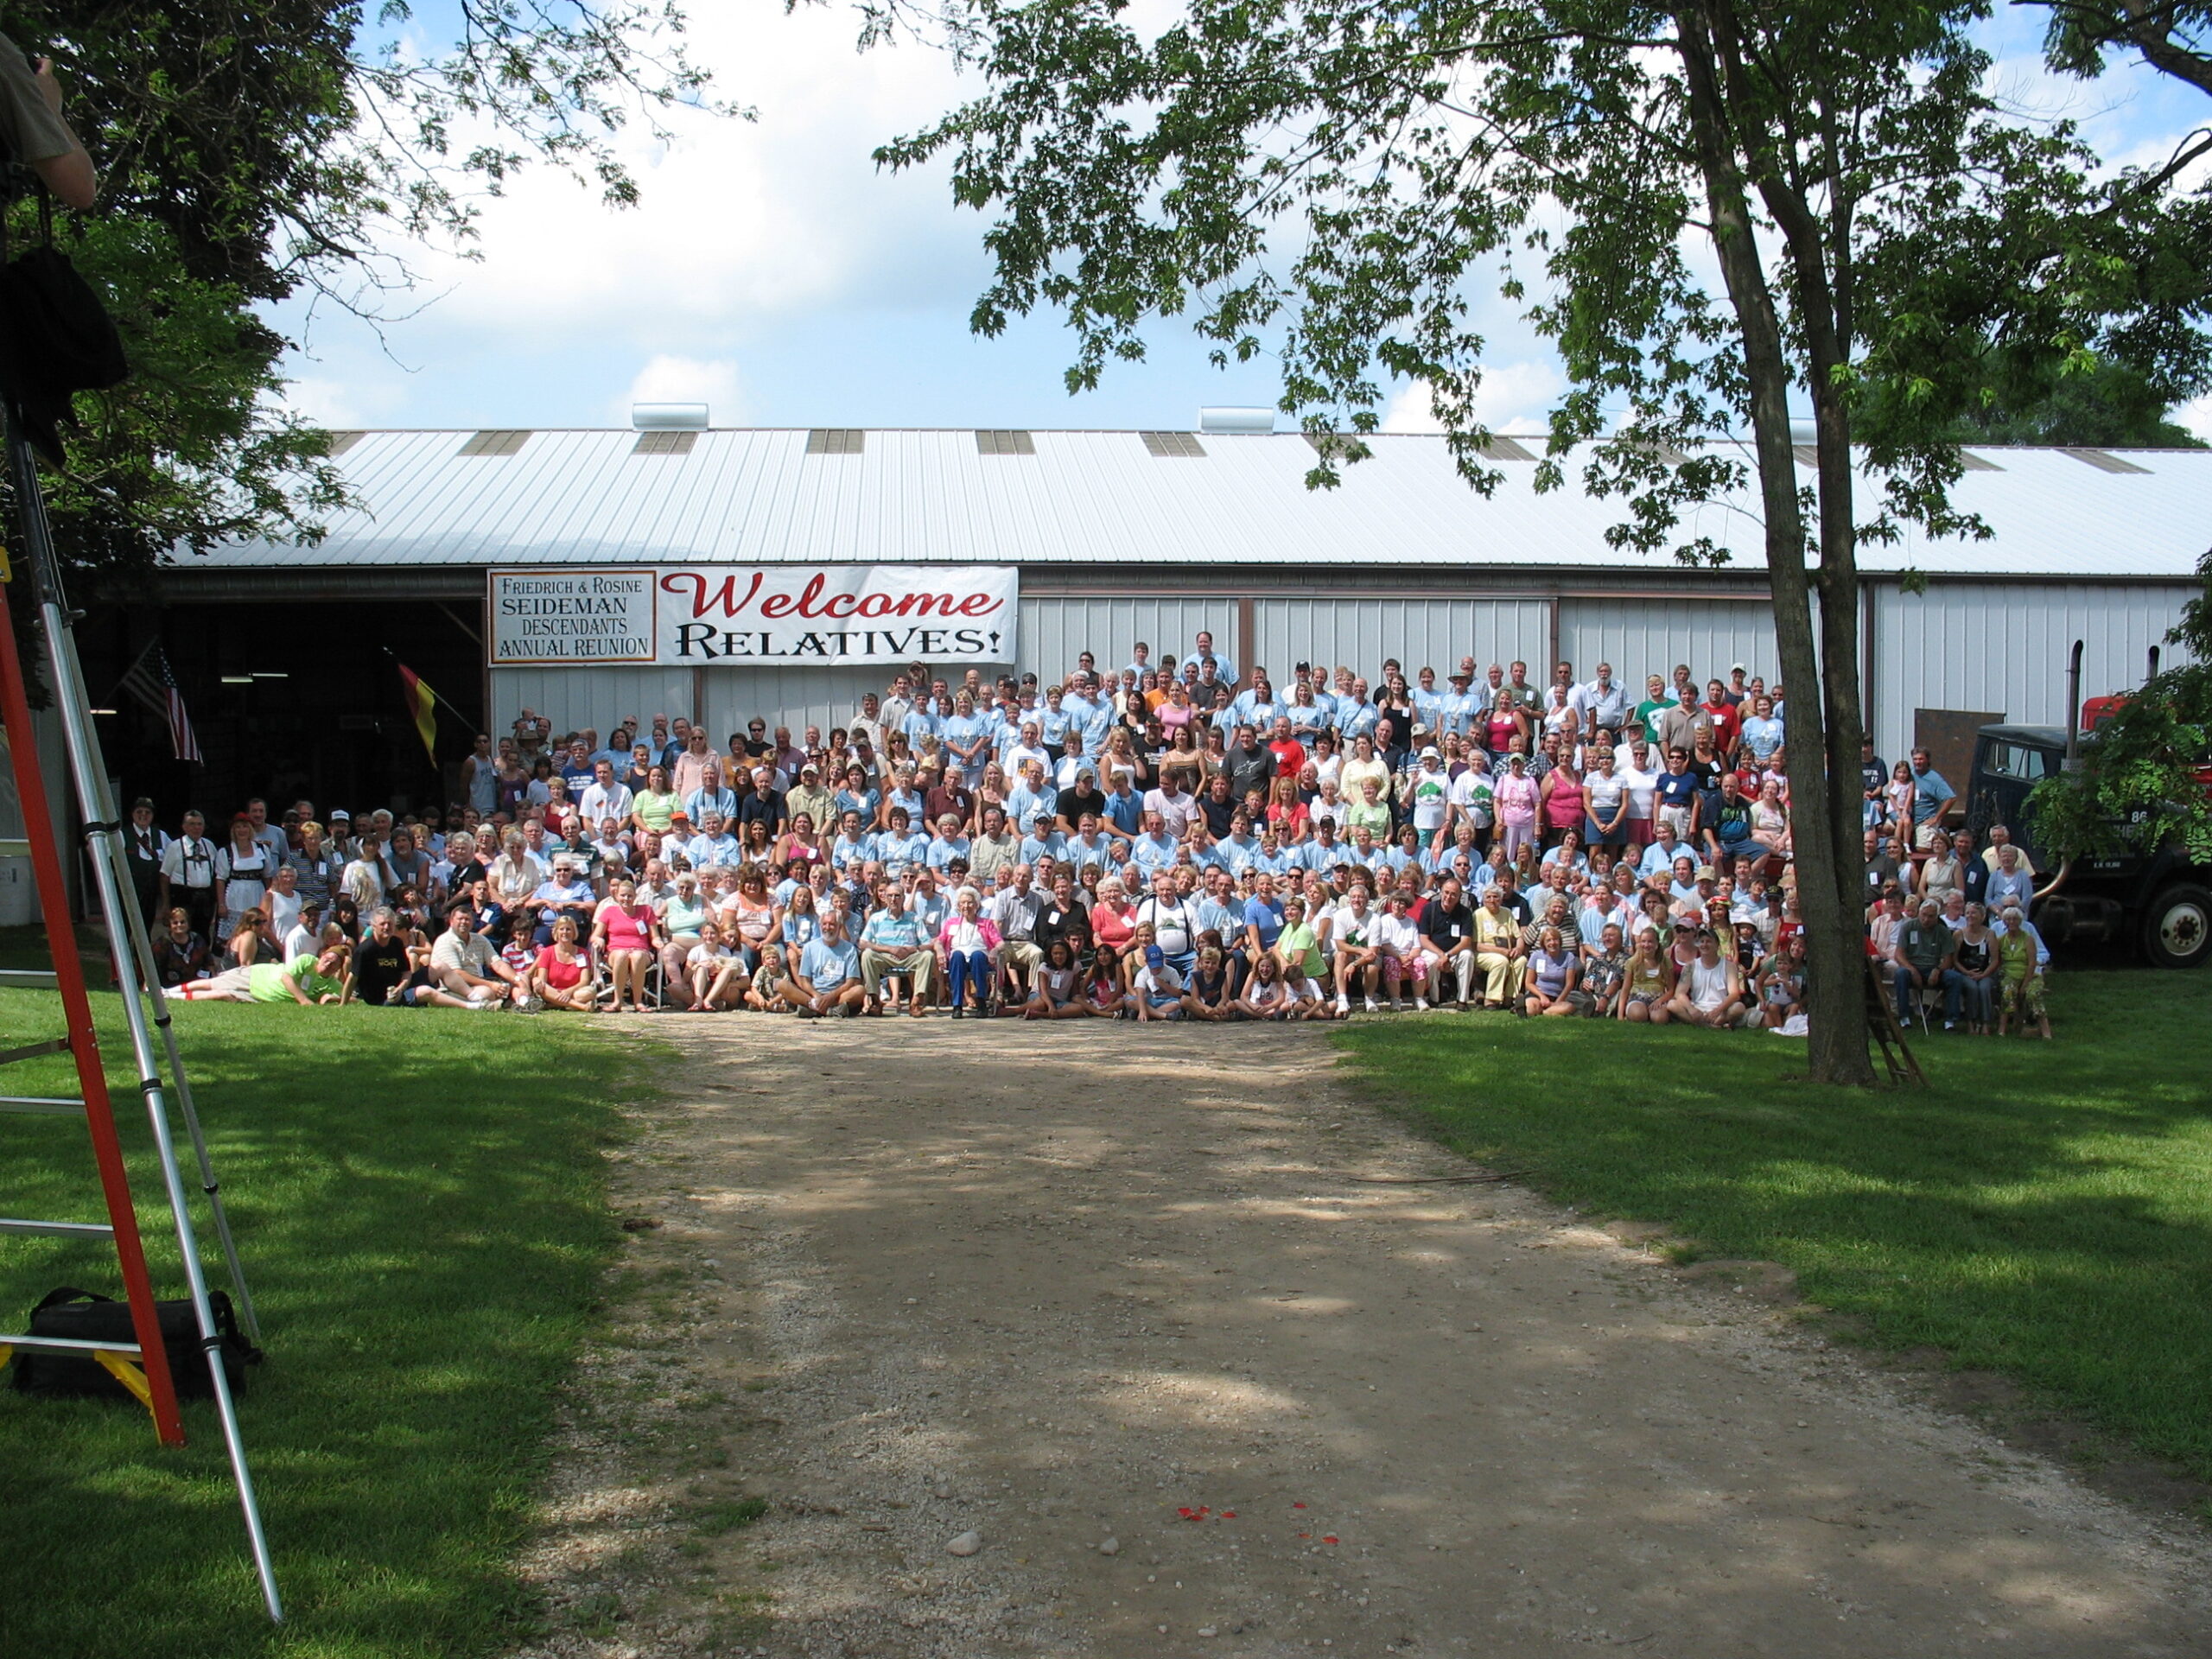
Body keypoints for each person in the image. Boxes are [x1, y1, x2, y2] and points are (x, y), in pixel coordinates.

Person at [170, 935, 347, 1004]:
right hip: (256, 976)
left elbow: (352, 999)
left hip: (259, 996)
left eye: (334, 963)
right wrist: (304, 1000)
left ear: (337, 969)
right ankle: (169, 992)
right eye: (328, 958)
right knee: (212, 984)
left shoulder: (330, 983)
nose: (328, 963)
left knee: (221, 995)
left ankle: (177, 997)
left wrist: (331, 997)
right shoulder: (307, 960)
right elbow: (287, 978)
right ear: (322, 955)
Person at [936, 887, 1002, 1018]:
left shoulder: (986, 923)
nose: (966, 906)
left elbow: (1000, 942)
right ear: (958, 905)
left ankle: (981, 1002)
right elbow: (939, 941)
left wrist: (995, 950)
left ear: (977, 905)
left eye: (970, 902)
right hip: (958, 961)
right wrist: (939, 951)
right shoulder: (951, 923)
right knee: (957, 955)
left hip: (981, 961)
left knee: (977, 955)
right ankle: (957, 1006)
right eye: (963, 903)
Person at [1667, 927, 1751, 1028]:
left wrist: (1717, 1010)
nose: (1704, 945)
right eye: (1702, 942)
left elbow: (1734, 994)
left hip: (1720, 1009)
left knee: (1739, 1007)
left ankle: (1708, 1023)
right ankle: (1711, 1025)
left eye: (1709, 942)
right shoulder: (1690, 966)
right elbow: (1679, 993)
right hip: (1698, 1007)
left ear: (1717, 945)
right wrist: (1692, 1010)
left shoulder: (1729, 966)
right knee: (1672, 1004)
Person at [1995, 904, 2050, 1039]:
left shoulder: (2028, 939)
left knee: (2032, 994)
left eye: (2015, 919)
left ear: (2020, 921)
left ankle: (2046, 1031)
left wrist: (2024, 985)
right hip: (2010, 975)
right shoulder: (2001, 940)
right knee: (2008, 991)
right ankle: (2002, 1029)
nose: (2011, 922)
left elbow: (2032, 963)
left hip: (2030, 975)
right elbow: (1999, 961)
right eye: (2008, 919)